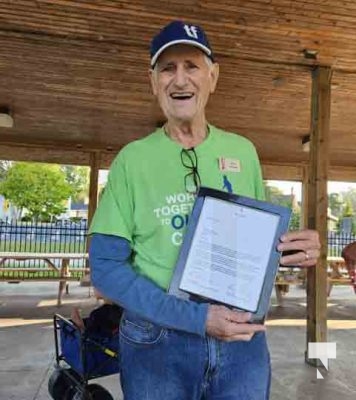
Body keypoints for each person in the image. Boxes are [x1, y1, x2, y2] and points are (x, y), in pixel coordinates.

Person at [89, 20, 320, 400]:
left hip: (241, 340)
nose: (180, 80)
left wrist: (294, 249)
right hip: (157, 341)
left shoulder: (243, 152)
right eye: (168, 68)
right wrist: (197, 319)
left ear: (213, 77)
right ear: (153, 81)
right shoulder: (133, 160)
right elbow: (106, 269)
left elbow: (252, 247)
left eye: (192, 66)